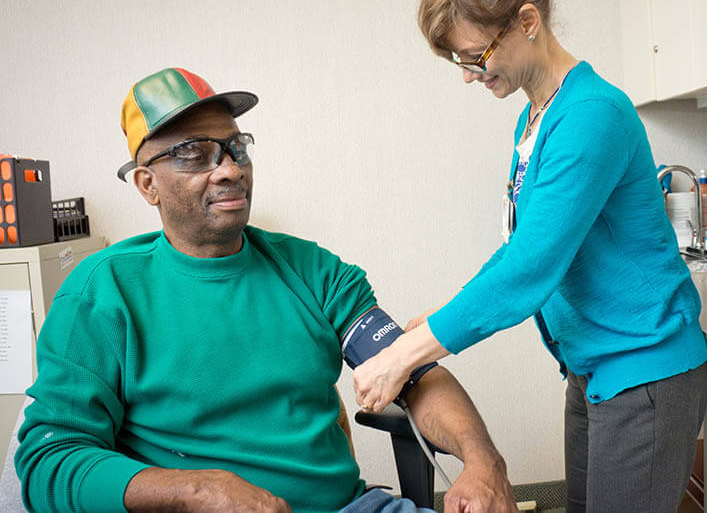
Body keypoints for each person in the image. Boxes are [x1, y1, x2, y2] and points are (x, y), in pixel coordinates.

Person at [15, 67, 516, 513]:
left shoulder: (313, 271)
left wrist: (482, 461)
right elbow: (49, 460)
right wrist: (196, 491)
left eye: (236, 147)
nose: (230, 168)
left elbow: (414, 374)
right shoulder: (103, 291)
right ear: (148, 185)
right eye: (195, 155)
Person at [351, 0, 707, 511]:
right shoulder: (535, 120)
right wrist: (429, 323)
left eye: (475, 55)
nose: (469, 74)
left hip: (642, 371)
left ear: (525, 21)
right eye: (458, 61)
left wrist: (407, 355)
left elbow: (531, 268)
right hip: (592, 368)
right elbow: (522, 246)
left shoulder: (590, 116)